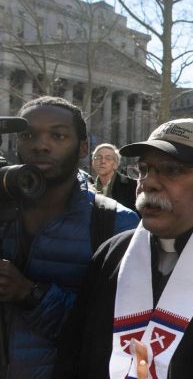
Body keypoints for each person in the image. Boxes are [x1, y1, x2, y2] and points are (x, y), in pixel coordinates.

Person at [55, 119, 193, 379]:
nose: (148, 183)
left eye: (172, 170)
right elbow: (74, 355)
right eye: (144, 169)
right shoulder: (113, 254)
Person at [0, 96, 139, 378]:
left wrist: (30, 294)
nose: (41, 145)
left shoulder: (116, 223)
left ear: (83, 147)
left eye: (58, 135)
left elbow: (118, 330)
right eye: (28, 135)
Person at [92, 143, 139, 211]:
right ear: (93, 163)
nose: (103, 161)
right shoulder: (87, 187)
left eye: (108, 158)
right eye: (98, 157)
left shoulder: (131, 186)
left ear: (116, 164)